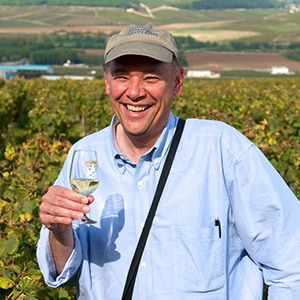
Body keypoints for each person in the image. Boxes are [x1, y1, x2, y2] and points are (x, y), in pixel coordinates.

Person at [37, 23, 300, 299]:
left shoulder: (223, 151)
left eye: (151, 78)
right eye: (122, 77)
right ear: (107, 82)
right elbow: (62, 270)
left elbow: (292, 263)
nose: (135, 92)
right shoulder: (85, 156)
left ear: (177, 82)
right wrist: (59, 232)